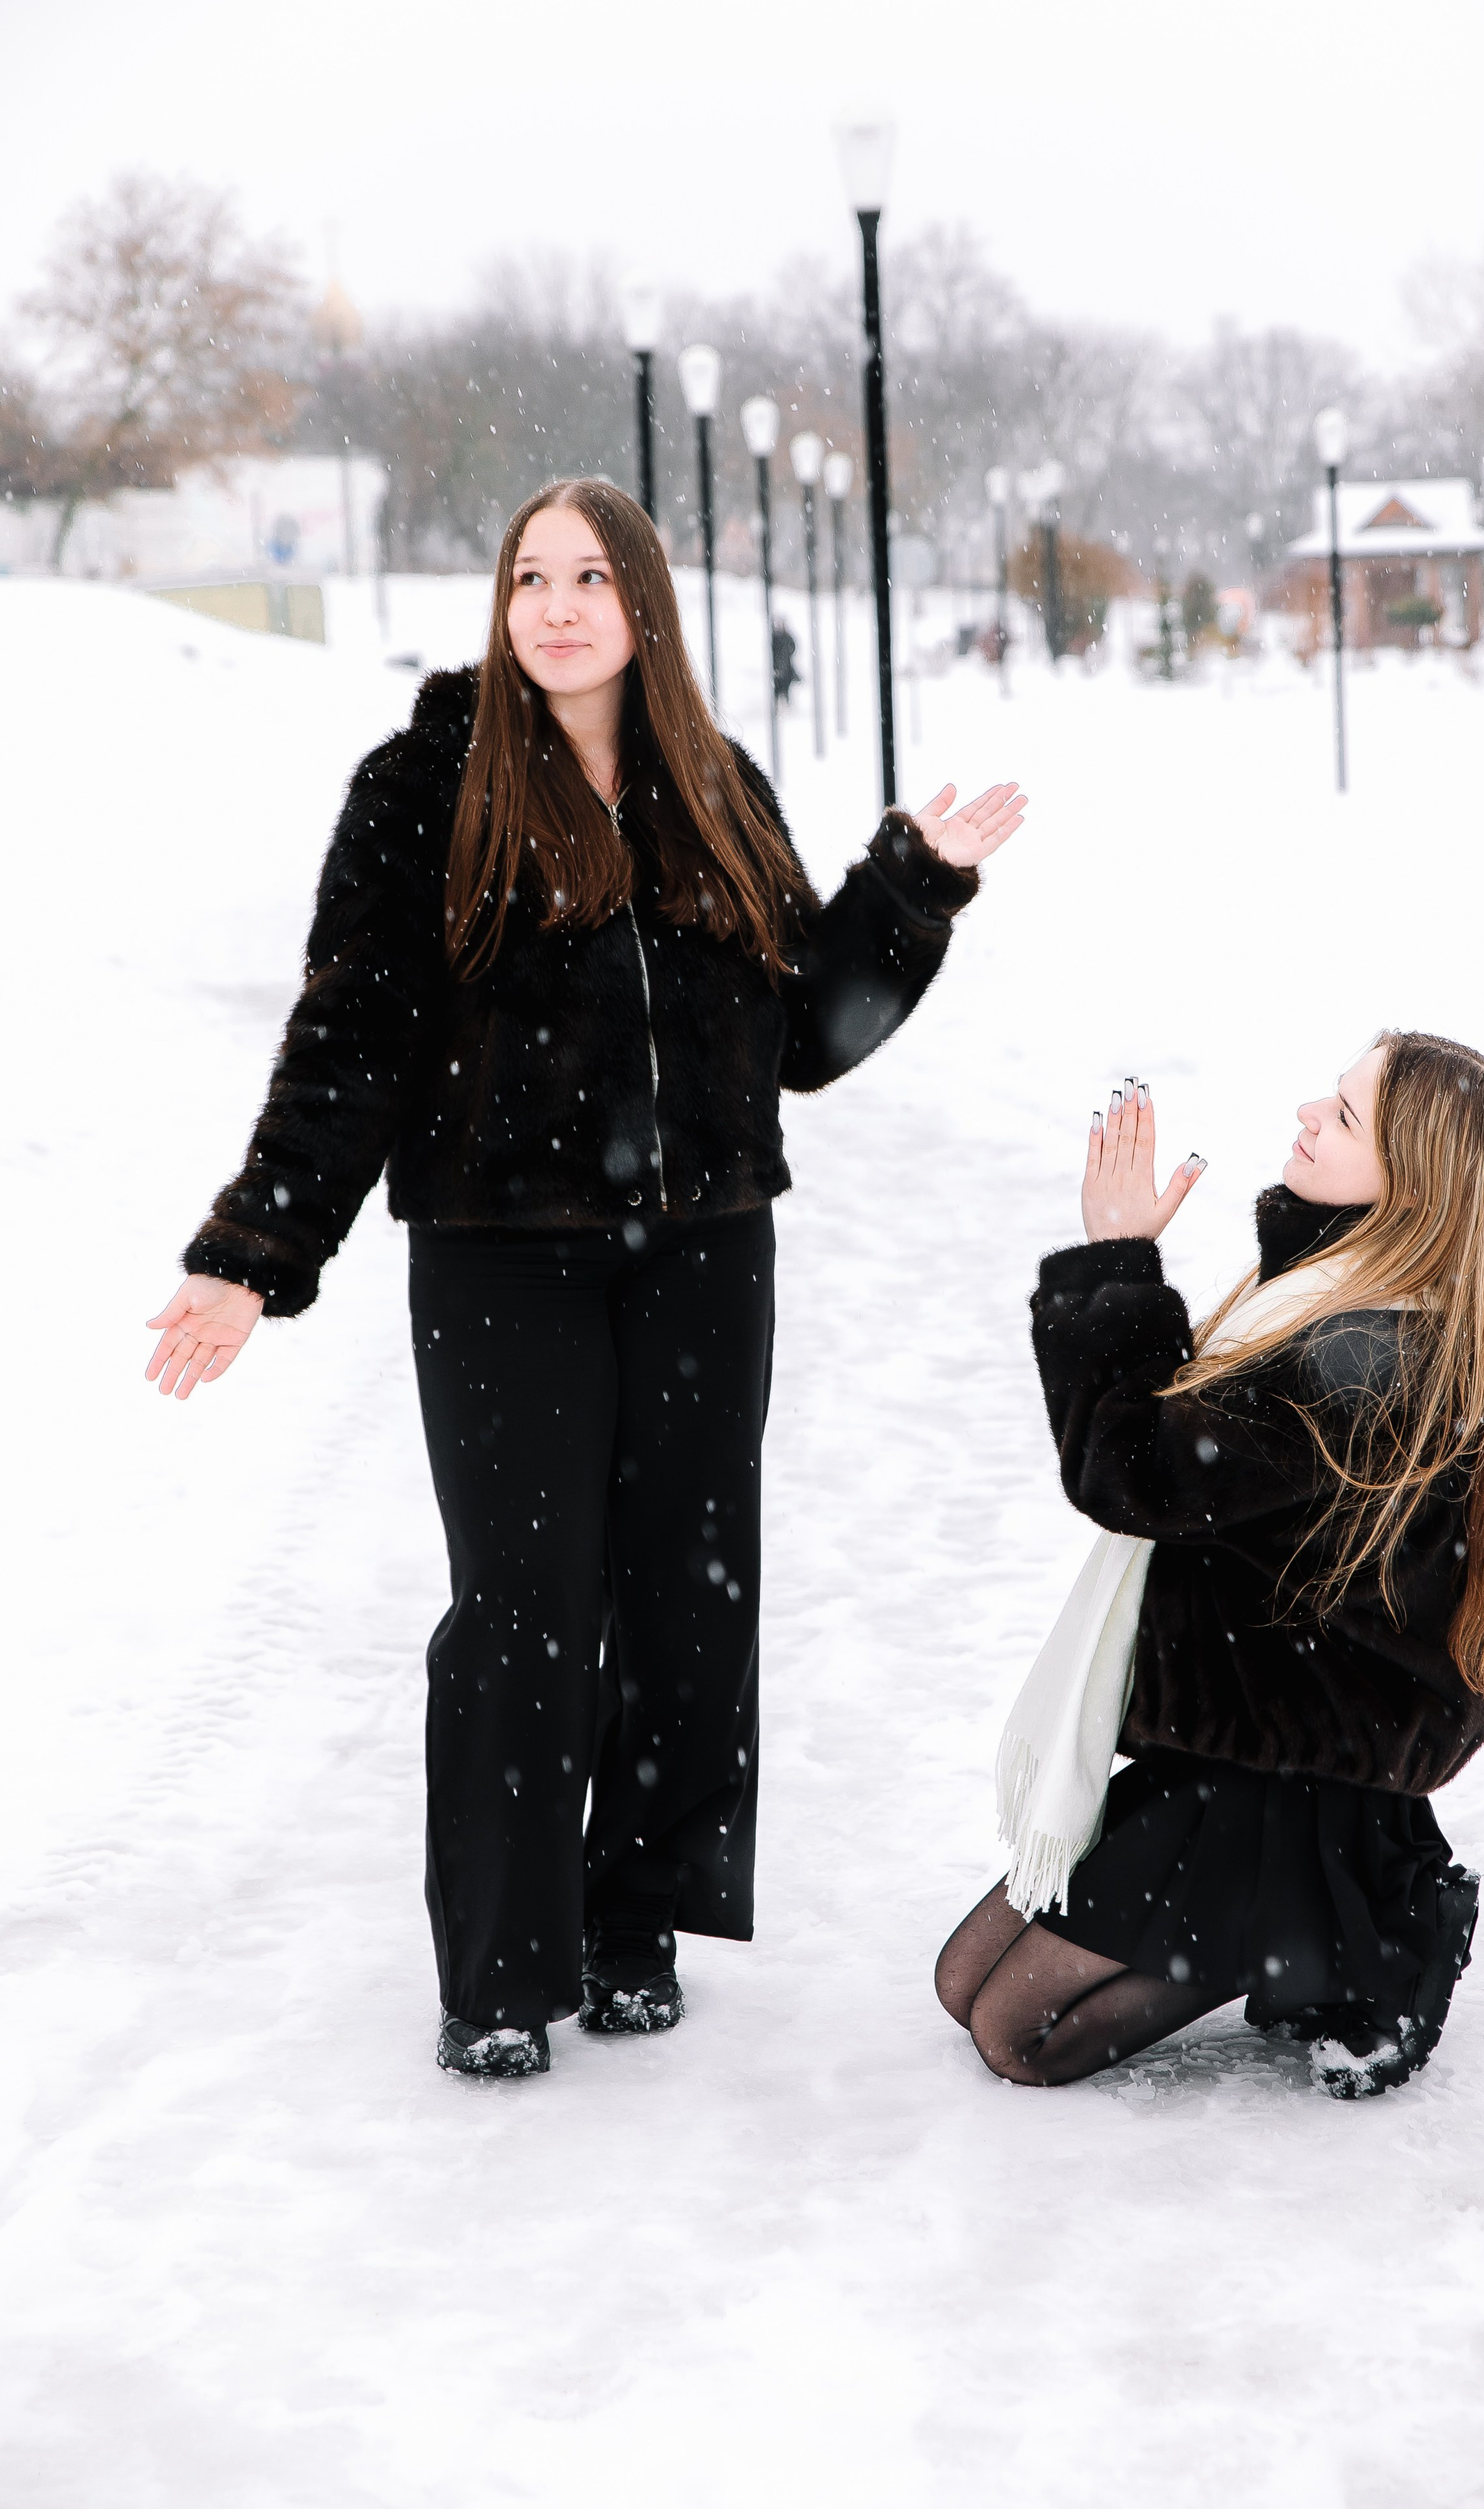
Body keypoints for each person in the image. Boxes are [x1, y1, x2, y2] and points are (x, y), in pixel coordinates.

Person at [147, 476, 1025, 2079]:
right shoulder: (426, 785)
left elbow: (802, 1041)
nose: (554, 606)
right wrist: (252, 1251)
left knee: (686, 1595)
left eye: (588, 578)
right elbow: (351, 1037)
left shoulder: (714, 784)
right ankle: (499, 1967)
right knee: (521, 1606)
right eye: (528, 576)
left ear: (643, 606)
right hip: (500, 1261)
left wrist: (907, 890)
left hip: (703, 1253)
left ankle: (631, 1920)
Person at [936, 1031, 1484, 2097]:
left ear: (1413, 1181)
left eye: (1345, 1117)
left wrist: (1115, 1267)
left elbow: (1142, 1475)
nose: (1308, 1111)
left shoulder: (1379, 1353)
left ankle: (1354, 1925)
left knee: (1015, 2034)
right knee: (959, 1983)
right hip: (1242, 1723)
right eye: (1333, 1096)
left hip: (1301, 1768)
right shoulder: (1330, 1288)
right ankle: (1285, 1921)